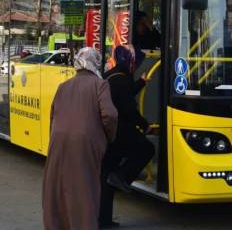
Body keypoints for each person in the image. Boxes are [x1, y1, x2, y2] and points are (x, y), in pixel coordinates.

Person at [42, 47, 118, 230]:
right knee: (85, 187)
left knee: (58, 186)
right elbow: (110, 115)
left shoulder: (63, 86)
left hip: (58, 141)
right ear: (95, 63)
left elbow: (53, 114)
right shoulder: (100, 85)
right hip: (86, 143)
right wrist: (108, 137)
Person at [99, 45, 155, 228]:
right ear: (129, 61)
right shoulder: (122, 81)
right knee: (147, 149)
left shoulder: (110, 76)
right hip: (120, 133)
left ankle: (104, 220)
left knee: (106, 175)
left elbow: (123, 94)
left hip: (105, 134)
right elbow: (129, 109)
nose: (136, 65)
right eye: (135, 61)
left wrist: (141, 83)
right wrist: (144, 125)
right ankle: (122, 177)